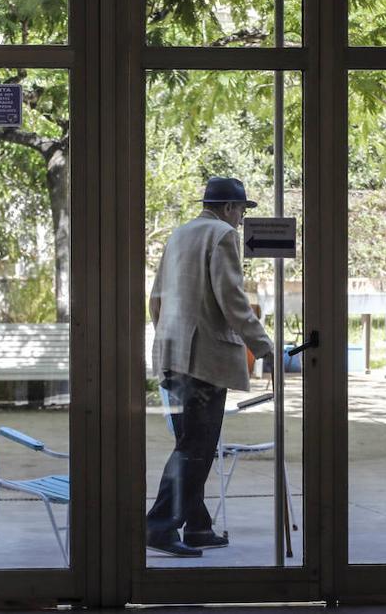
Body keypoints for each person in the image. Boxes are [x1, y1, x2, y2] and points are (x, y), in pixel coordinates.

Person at [146, 176, 276, 558]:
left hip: (171, 353)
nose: (240, 219)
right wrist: (264, 346)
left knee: (190, 444)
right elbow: (232, 299)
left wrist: (169, 337)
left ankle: (198, 527)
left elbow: (155, 299)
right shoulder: (221, 235)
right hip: (203, 360)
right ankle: (158, 526)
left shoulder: (179, 235)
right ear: (230, 208)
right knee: (197, 449)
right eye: (241, 210)